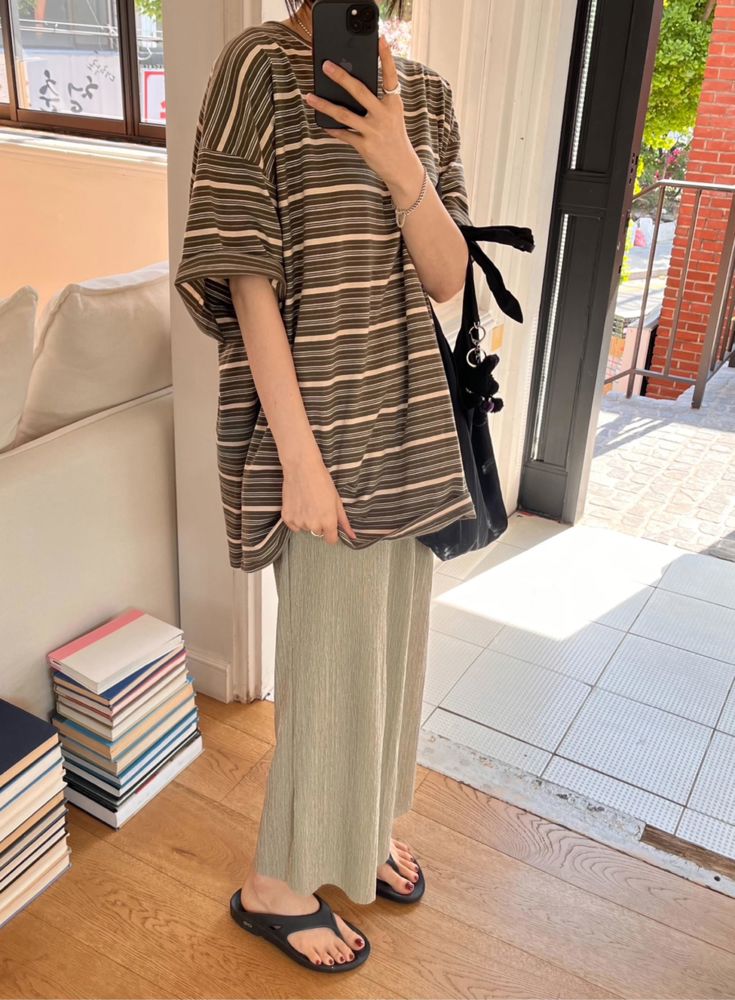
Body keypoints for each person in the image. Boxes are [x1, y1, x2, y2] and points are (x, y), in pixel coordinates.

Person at [173, 0, 474, 974]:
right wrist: (297, 459)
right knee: (329, 664)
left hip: (411, 427)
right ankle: (276, 884)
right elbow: (243, 277)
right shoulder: (257, 69)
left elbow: (447, 277)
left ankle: (363, 829)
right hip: (318, 435)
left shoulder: (426, 97)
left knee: (391, 653)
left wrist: (398, 159)